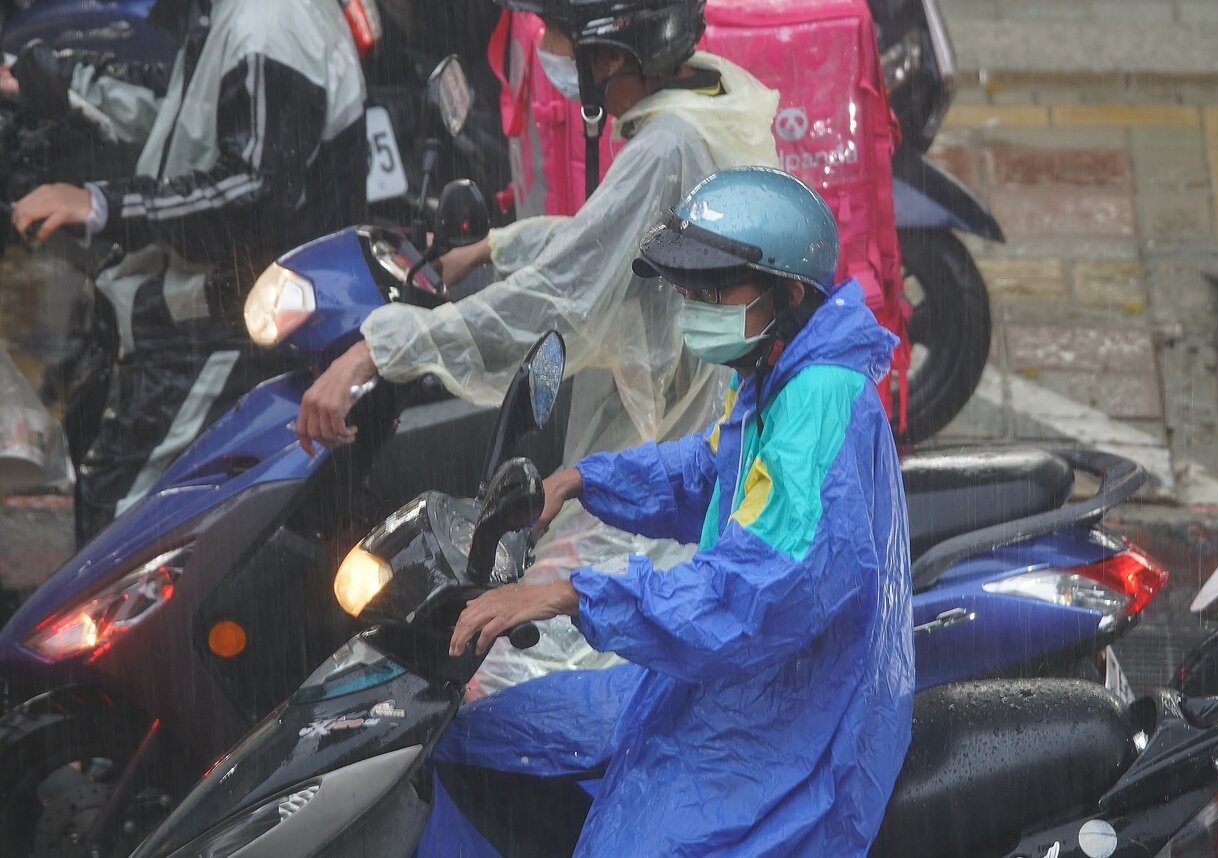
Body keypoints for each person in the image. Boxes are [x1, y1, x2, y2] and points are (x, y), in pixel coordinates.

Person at [297, 0, 780, 690]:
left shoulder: (667, 145)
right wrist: (495, 247)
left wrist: (377, 350)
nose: (546, 50)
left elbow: (559, 300)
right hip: (680, 453)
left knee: (495, 686)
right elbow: (610, 244)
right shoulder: (706, 98)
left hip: (653, 477)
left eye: (557, 37)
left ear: (610, 53)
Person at [443, 167, 915, 856]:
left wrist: (569, 595)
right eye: (689, 287)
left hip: (790, 714)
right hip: (728, 675)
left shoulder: (817, 402)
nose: (693, 302)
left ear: (787, 293)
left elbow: (754, 595)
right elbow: (707, 473)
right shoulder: (769, 372)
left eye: (714, 287)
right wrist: (579, 480)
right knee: (479, 740)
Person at [6, 0, 367, 542]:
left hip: (219, 328)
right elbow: (189, 110)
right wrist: (60, 84)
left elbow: (254, 194)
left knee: (122, 537)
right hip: (216, 318)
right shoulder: (246, 15)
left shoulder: (267, 22)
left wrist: (101, 205)